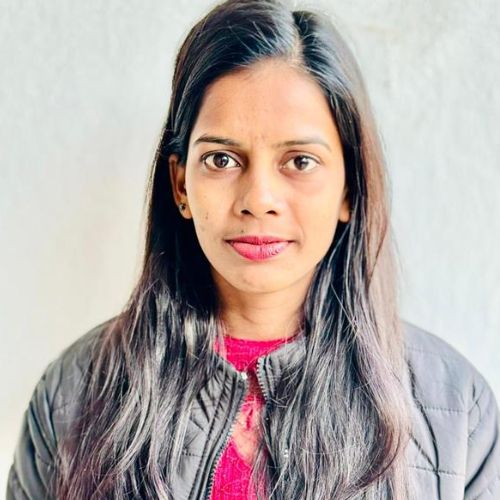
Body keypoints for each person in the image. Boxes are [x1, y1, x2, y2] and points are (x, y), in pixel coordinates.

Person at [6, 0, 500, 498]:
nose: (259, 199)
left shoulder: (458, 413)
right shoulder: (71, 395)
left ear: (349, 188)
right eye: (222, 159)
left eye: (300, 161)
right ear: (180, 185)